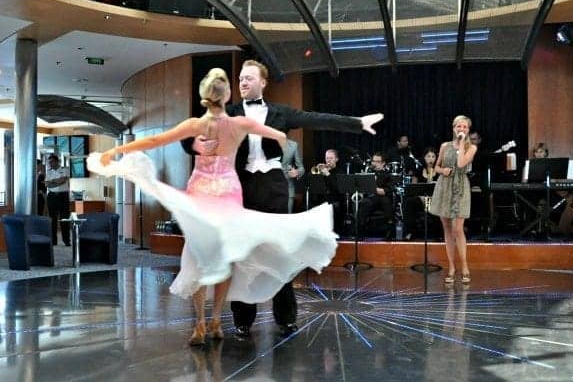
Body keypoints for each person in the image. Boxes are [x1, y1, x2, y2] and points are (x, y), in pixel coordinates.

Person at [90, 68, 339, 345]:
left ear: (203, 96)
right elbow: (275, 134)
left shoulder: (196, 124)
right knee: (226, 256)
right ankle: (218, 319)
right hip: (229, 194)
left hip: (202, 194)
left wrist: (115, 151)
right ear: (228, 95)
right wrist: (280, 142)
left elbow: (153, 140)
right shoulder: (238, 123)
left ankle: (199, 322)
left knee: (198, 254)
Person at [184, 59, 383, 338]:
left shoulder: (280, 113)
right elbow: (191, 134)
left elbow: (316, 118)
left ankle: (286, 317)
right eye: (240, 78)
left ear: (263, 83)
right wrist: (196, 144)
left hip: (273, 188)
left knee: (280, 250)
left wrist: (357, 123)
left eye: (249, 78)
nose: (242, 82)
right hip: (240, 188)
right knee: (242, 254)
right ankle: (242, 319)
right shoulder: (227, 113)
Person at [429, 115, 477, 284]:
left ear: (468, 130)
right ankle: (451, 267)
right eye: (459, 126)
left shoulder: (472, 148)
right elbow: (436, 167)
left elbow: (462, 163)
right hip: (445, 186)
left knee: (458, 229)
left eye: (464, 127)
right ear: (453, 128)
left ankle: (464, 266)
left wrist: (462, 144)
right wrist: (443, 171)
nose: (461, 129)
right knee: (447, 229)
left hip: (461, 187)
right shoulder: (444, 146)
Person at [358, 152, 394, 238]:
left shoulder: (387, 175)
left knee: (385, 201)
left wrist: (372, 186)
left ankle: (389, 229)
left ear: (383, 163)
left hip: (383, 198)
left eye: (378, 161)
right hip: (370, 198)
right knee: (365, 203)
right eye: (373, 161)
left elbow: (386, 191)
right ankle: (360, 229)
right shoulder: (368, 173)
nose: (375, 163)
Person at [45, 154, 71, 246]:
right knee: (52, 219)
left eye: (51, 161)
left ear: (57, 161)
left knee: (64, 218)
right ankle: (53, 241)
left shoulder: (65, 169)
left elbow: (63, 180)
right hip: (52, 196)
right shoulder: (49, 172)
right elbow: (47, 185)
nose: (50, 164)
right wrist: (57, 181)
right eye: (49, 162)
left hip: (63, 196)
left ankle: (66, 240)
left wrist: (53, 182)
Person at [281, 139, 305, 213]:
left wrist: (297, 172)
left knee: (287, 220)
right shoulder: (265, 142)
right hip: (269, 187)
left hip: (288, 187)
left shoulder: (293, 145)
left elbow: (301, 167)